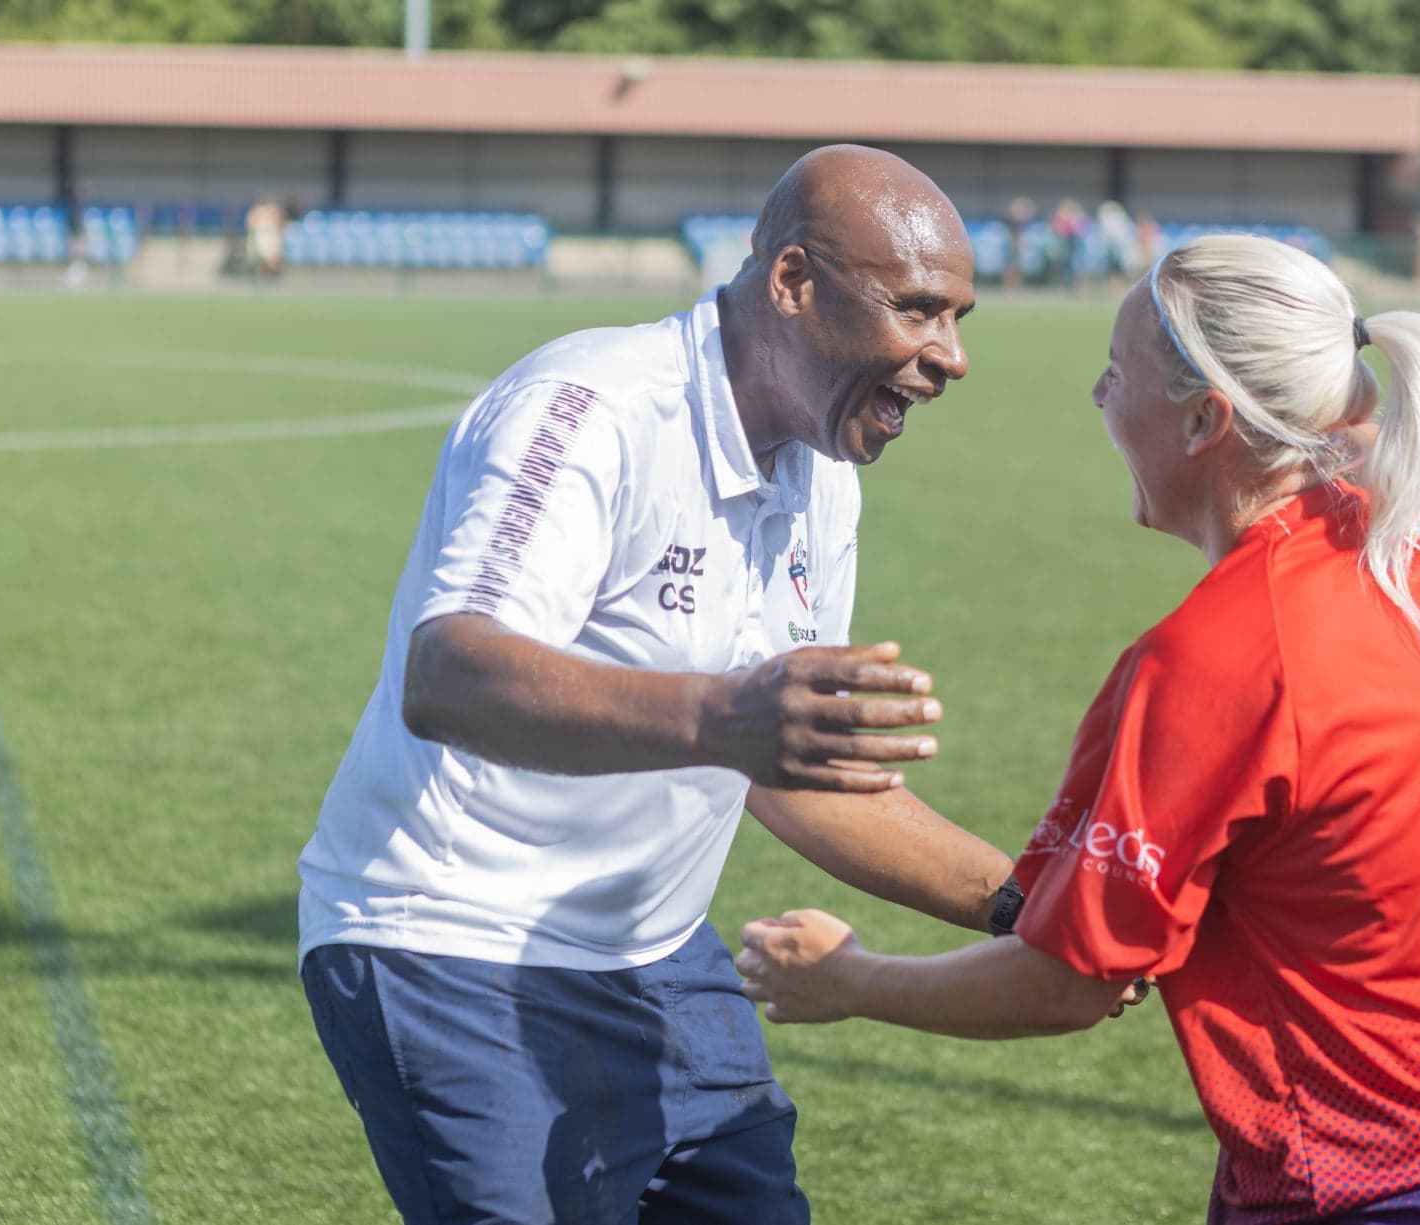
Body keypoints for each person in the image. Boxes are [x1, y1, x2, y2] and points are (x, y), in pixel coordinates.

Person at [737, 234, 1420, 1224]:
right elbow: (1363, 437)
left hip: (1384, 1185)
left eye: (1116, 375)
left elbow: (1068, 985)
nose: (1098, 401)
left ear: (1205, 419)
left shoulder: (1214, 660)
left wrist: (850, 978)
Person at [297, 144, 1016, 1225]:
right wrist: (722, 715)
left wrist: (1036, 902)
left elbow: (791, 770)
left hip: (655, 955)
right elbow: (449, 670)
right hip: (449, 943)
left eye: (957, 318)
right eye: (917, 310)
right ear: (790, 282)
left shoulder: (820, 474)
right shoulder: (591, 407)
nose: (949, 356)